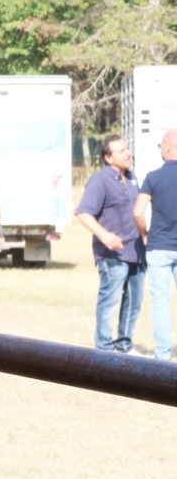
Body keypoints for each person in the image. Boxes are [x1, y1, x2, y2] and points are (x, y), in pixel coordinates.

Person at [75, 134, 145, 355]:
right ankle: (104, 350)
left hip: (137, 252)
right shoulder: (99, 180)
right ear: (108, 157)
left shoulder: (132, 178)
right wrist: (104, 235)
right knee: (110, 300)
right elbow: (83, 213)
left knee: (134, 301)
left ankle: (124, 345)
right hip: (112, 254)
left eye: (127, 148)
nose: (127, 153)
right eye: (122, 150)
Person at [134, 129, 177, 360]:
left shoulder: (153, 177)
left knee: (160, 304)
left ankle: (163, 354)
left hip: (159, 246)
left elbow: (138, 212)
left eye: (160, 145)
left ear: (168, 147)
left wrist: (144, 234)